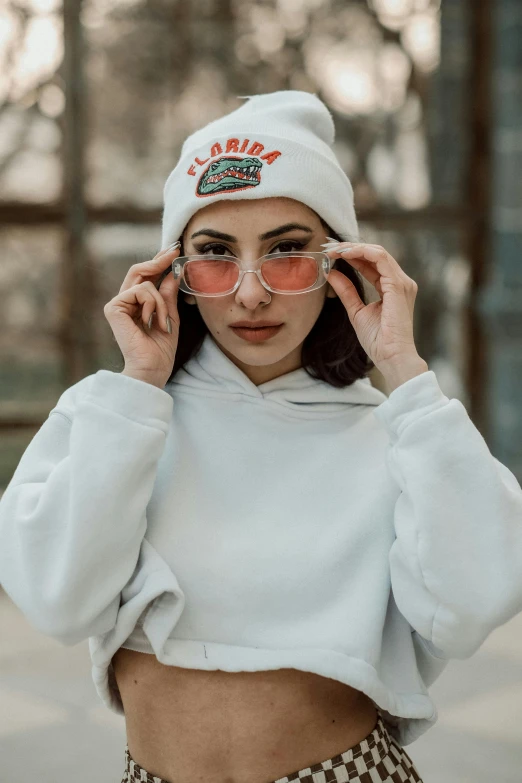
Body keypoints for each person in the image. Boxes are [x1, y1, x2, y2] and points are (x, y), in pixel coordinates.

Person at [1, 91, 522, 783]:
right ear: (173, 274)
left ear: (341, 265)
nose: (251, 293)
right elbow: (57, 602)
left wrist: (404, 369)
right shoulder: (115, 416)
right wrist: (138, 389)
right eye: (215, 253)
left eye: (287, 250)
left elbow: (478, 598)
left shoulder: (395, 432)